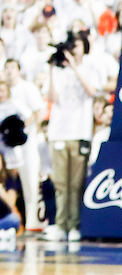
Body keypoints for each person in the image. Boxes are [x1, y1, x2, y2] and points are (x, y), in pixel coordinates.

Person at [44, 32, 102, 241]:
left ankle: (75, 225)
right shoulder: (59, 72)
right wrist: (51, 69)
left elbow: (92, 90)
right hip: (59, 132)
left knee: (76, 183)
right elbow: (52, 98)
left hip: (79, 132)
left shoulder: (90, 69)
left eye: (75, 46)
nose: (71, 50)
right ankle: (61, 224)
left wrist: (74, 67)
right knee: (60, 183)